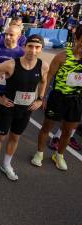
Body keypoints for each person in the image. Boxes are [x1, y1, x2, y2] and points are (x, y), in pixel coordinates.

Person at [0, 35, 48, 181]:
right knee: (0, 137)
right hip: (9, 107)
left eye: (37, 47)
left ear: (41, 49)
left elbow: (43, 82)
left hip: (26, 109)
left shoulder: (43, 66)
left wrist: (40, 99)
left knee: (15, 137)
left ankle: (6, 165)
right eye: (30, 46)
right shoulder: (11, 64)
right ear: (25, 47)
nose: (33, 50)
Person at [32, 25, 82, 171]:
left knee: (68, 131)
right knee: (47, 126)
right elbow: (48, 77)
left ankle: (59, 155)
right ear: (76, 38)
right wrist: (42, 97)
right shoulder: (62, 56)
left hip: (76, 99)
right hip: (58, 97)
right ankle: (39, 153)